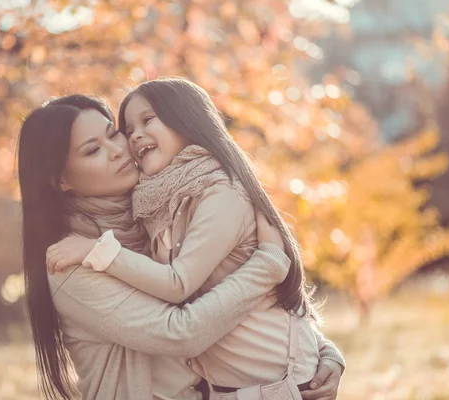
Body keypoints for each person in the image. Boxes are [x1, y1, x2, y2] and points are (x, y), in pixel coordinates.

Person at [47, 81, 344, 400]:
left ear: (185, 119)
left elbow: (234, 295)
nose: (123, 145)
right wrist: (267, 266)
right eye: (93, 149)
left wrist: (322, 351)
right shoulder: (71, 262)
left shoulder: (159, 209)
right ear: (61, 179)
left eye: (113, 133)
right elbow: (184, 330)